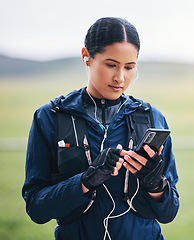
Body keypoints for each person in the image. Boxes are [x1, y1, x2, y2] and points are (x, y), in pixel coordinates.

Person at [22, 17, 179, 240]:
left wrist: (156, 184)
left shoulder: (152, 118)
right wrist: (86, 181)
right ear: (86, 56)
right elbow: (36, 208)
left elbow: (169, 212)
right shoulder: (50, 117)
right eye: (111, 64)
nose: (120, 77)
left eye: (129, 67)